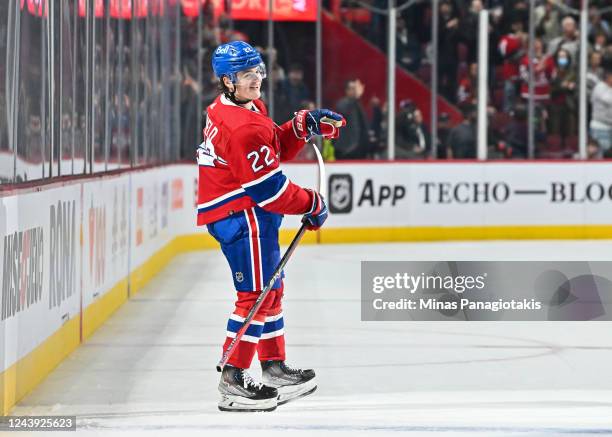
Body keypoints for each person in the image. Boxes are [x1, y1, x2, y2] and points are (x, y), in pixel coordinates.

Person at [197, 41, 345, 412]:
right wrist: (312, 202)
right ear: (227, 81)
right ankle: (233, 378)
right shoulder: (240, 126)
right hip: (240, 214)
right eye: (247, 75)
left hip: (244, 210)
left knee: (271, 291)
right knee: (255, 296)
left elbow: (271, 147)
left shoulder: (243, 108)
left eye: (259, 71)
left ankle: (274, 367)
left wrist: (298, 126)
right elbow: (269, 190)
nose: (257, 80)